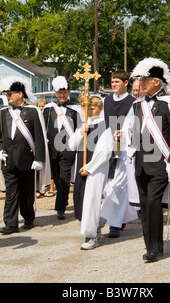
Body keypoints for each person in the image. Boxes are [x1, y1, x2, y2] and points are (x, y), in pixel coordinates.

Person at [128, 57, 170, 262]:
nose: (142, 83)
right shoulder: (138, 106)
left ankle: (154, 248)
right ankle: (151, 244)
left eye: (145, 80)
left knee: (153, 203)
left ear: (157, 82)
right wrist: (131, 147)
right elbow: (136, 132)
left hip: (160, 163)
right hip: (141, 163)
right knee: (145, 206)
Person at [0, 76, 48, 234]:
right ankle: (10, 224)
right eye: (7, 94)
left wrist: (39, 158)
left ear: (20, 94)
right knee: (11, 193)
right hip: (9, 160)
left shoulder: (32, 111)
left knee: (26, 193)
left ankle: (28, 216)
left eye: (11, 93)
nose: (8, 96)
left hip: (27, 159)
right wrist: (0, 151)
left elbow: (39, 137)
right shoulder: (3, 113)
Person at [69, 96, 112, 249]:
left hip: (96, 169)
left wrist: (90, 167)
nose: (89, 110)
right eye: (86, 108)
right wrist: (81, 132)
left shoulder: (105, 126)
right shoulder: (83, 125)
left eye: (92, 108)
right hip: (81, 166)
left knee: (91, 200)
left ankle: (92, 236)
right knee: (80, 198)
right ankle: (96, 222)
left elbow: (105, 152)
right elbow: (71, 145)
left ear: (100, 109)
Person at [100, 70, 138, 238]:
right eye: (112, 81)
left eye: (117, 81)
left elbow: (136, 126)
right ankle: (120, 218)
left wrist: (125, 137)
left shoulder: (133, 103)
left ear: (125, 83)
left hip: (124, 149)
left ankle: (112, 224)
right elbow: (102, 123)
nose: (114, 84)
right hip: (109, 147)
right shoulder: (106, 100)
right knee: (108, 187)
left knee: (119, 186)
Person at [43, 76, 81, 219]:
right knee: (57, 177)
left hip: (68, 149)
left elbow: (78, 130)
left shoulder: (75, 110)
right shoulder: (48, 110)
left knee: (65, 176)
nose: (62, 95)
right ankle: (62, 200)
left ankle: (60, 207)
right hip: (53, 148)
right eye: (60, 93)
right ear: (56, 93)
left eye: (65, 92)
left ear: (69, 93)